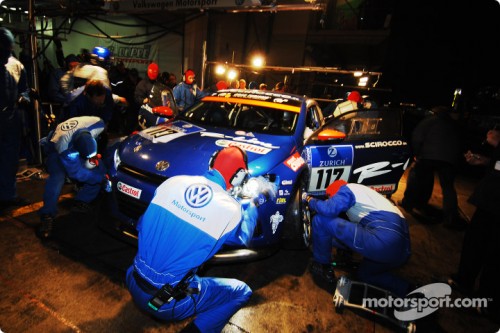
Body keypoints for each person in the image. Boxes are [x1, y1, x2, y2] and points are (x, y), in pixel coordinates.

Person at [126, 146, 260, 333]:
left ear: (212, 163)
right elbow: (243, 238)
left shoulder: (172, 182)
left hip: (132, 279)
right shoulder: (231, 209)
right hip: (164, 301)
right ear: (239, 176)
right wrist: (253, 203)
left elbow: (141, 225)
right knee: (241, 291)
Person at [305, 180, 411, 297]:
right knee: (365, 274)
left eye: (330, 197)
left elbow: (328, 209)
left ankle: (322, 266)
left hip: (384, 239)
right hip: (401, 252)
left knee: (321, 220)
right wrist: (321, 239)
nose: (329, 200)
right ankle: (408, 290)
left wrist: (310, 199)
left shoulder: (348, 189)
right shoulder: (368, 200)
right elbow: (349, 236)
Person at [447, 126, 500, 318]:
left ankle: (489, 302)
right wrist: (485, 160)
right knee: (474, 242)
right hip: (488, 200)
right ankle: (464, 281)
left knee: (495, 255)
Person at [36, 116, 109, 239]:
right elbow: (77, 174)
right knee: (57, 178)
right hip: (55, 151)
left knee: (100, 168)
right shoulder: (65, 147)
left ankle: (82, 201)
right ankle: (47, 215)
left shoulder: (98, 123)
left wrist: (95, 160)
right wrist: (101, 179)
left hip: (76, 144)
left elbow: (98, 139)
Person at [399, 106, 462, 227]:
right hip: (450, 159)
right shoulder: (453, 124)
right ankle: (451, 217)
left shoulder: (430, 120)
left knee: (416, 177)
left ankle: (409, 203)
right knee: (448, 187)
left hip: (429, 156)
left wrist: (416, 153)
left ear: (436, 112)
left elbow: (417, 136)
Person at [0, 27, 31, 210]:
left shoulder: (15, 65)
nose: (9, 52)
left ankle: (7, 196)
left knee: (10, 160)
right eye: (5, 49)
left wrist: (23, 98)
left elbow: (24, 89)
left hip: (10, 118)